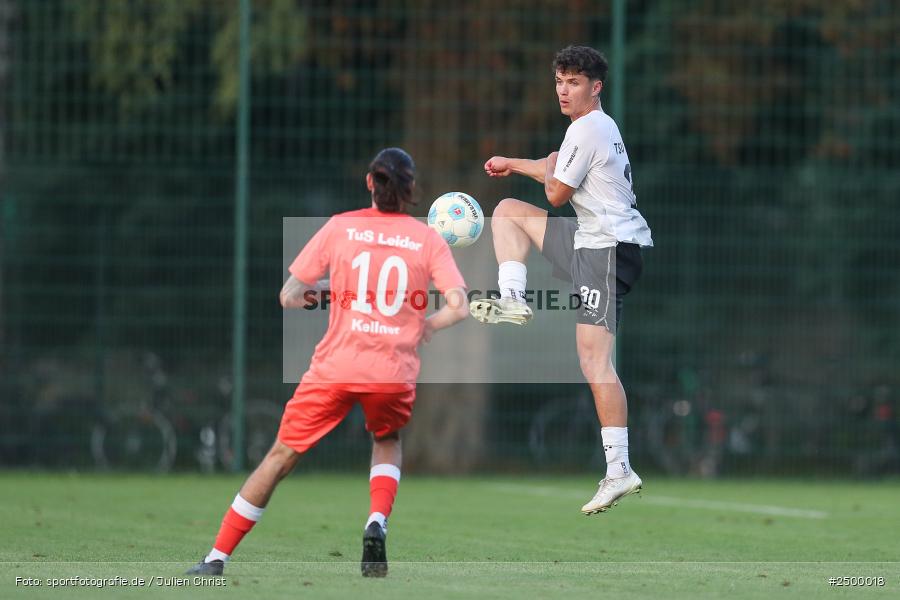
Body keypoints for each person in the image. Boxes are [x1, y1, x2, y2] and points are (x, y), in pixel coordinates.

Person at [187, 148, 469, 578]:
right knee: (387, 438)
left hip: (335, 368)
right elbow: (460, 307)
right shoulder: (427, 239)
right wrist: (427, 325)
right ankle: (376, 521)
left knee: (280, 457)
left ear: (369, 183)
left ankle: (216, 558)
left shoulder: (340, 227)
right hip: (392, 372)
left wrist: (330, 288)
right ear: (411, 191)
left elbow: (289, 296)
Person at [469, 46, 653, 514]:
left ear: (596, 87)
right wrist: (514, 163)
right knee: (509, 212)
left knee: (595, 363)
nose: (563, 91)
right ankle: (513, 298)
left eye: (573, 82)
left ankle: (619, 470)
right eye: (559, 82)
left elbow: (554, 192)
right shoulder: (592, 129)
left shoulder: (588, 128)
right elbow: (556, 176)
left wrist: (543, 165)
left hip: (608, 248)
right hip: (590, 241)